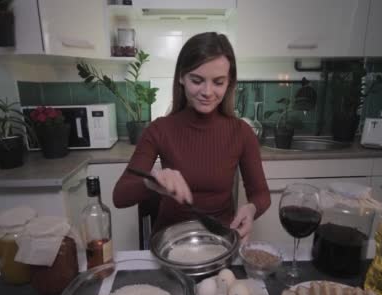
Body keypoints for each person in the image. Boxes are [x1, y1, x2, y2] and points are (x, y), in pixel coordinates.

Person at [112, 32, 270, 241]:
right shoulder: (159, 129)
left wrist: (251, 209)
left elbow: (261, 195)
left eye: (218, 82)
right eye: (197, 80)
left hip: (220, 241)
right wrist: (151, 182)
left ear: (229, 82)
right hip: (170, 242)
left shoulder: (241, 132)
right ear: (181, 77)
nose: (207, 91)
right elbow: (120, 196)